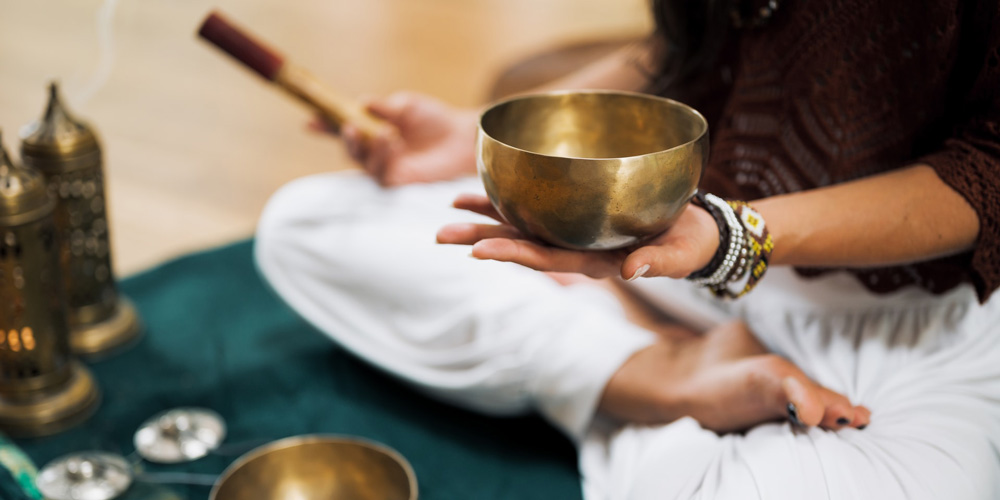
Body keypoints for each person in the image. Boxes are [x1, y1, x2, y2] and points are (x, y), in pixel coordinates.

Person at [255, 0, 1000, 498]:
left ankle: (609, 367)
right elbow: (689, 49)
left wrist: (731, 238)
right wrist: (478, 135)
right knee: (309, 226)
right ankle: (660, 372)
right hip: (680, 239)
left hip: (909, 310)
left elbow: (988, 168)